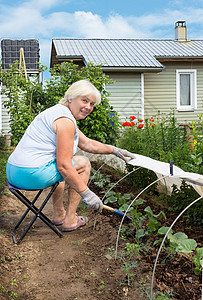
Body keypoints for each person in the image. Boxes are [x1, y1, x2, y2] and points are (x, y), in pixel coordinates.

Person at [6, 79, 135, 232]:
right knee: (82, 163)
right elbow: (64, 166)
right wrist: (87, 194)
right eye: (84, 100)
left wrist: (114, 150)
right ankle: (70, 219)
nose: (88, 107)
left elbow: (87, 144)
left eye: (92, 104)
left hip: (14, 172)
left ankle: (59, 214)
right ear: (70, 98)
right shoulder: (65, 121)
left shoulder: (58, 112)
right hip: (31, 175)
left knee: (60, 166)